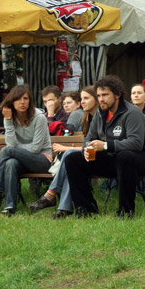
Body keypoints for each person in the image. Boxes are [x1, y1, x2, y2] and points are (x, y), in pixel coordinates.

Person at [64, 75, 145, 217]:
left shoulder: (132, 113)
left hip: (142, 159)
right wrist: (86, 149)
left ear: (117, 94)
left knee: (124, 157)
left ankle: (126, 211)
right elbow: (89, 137)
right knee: (72, 159)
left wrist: (106, 146)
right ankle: (85, 209)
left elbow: (136, 144)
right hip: (114, 158)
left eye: (105, 95)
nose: (101, 99)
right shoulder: (100, 114)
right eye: (99, 95)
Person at [0, 85, 51, 215]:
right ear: (11, 102)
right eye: (18, 99)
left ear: (30, 101)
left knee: (6, 151)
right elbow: (11, 143)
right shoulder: (9, 117)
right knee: (10, 163)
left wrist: (14, 150)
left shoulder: (39, 117)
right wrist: (9, 121)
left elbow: (35, 148)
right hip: (21, 161)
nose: (22, 102)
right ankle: (10, 206)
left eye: (26, 98)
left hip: (42, 160)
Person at [29, 86, 99, 218]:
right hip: (86, 157)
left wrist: (68, 148)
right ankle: (63, 210)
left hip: (99, 158)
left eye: (86, 98)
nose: (82, 101)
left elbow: (96, 146)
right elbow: (87, 144)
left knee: (68, 156)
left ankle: (50, 195)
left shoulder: (84, 115)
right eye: (81, 98)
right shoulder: (86, 117)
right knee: (70, 164)